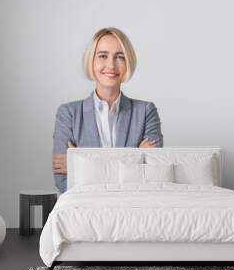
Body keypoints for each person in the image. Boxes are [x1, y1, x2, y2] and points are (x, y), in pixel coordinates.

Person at [52, 27, 164, 193]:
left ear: (128, 63)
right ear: (91, 61)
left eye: (120, 57)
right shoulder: (68, 114)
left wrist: (83, 167)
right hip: (86, 208)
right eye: (103, 56)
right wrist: (134, 160)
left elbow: (152, 174)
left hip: (132, 207)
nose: (111, 65)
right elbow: (63, 180)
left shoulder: (146, 112)